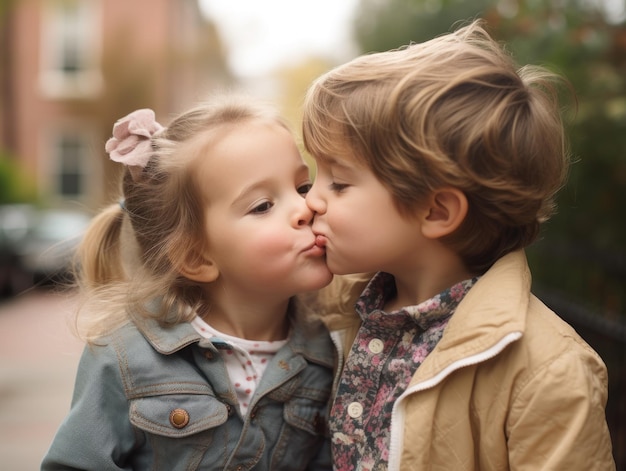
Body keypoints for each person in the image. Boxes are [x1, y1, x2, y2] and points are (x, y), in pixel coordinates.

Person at [301, 19, 616, 471]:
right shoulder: (332, 302)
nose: (311, 199)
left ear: (436, 212)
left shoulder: (548, 373)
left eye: (339, 182)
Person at [41, 95, 335, 470]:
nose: (305, 209)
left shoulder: (326, 349)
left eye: (303, 187)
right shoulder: (126, 357)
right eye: (263, 205)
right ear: (197, 258)